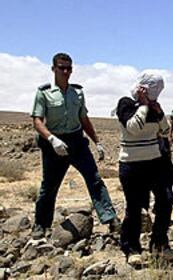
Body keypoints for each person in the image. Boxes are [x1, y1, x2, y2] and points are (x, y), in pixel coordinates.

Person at [30, 53, 120, 238]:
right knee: (49, 186)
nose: (65, 72)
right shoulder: (44, 92)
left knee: (94, 179)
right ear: (53, 69)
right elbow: (37, 121)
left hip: (77, 142)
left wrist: (97, 142)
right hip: (54, 145)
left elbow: (83, 118)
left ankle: (110, 219)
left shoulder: (77, 93)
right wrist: (51, 139)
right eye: (61, 67)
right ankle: (40, 225)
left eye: (68, 68)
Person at [116, 73, 173, 261]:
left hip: (155, 162)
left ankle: (159, 242)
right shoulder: (125, 104)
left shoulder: (152, 108)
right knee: (134, 207)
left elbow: (165, 131)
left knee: (165, 200)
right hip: (131, 164)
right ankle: (131, 248)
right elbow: (133, 127)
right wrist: (142, 105)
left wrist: (158, 113)